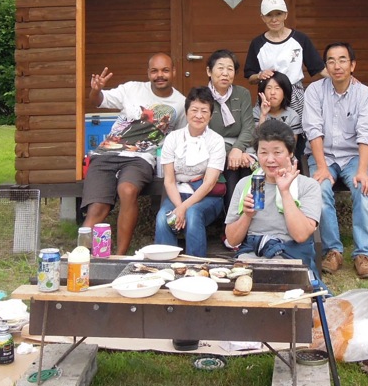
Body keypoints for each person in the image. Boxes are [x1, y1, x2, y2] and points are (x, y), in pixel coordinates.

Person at [81, 53, 185, 256]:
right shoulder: (132, 88)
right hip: (106, 153)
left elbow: (180, 137)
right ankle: (81, 256)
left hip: (141, 157)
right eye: (154, 71)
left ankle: (119, 256)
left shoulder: (181, 103)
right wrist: (96, 90)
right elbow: (98, 101)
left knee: (127, 190)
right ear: (148, 73)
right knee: (97, 208)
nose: (159, 75)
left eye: (165, 70)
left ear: (173, 72)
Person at [302, 42, 368, 279]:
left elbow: (366, 133)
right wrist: (322, 167)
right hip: (322, 155)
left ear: (352, 65)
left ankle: (363, 254)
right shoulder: (314, 91)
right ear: (326, 66)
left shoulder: (363, 94)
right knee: (319, 189)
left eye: (343, 60)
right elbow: (312, 130)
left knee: (362, 190)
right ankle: (333, 250)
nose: (337, 66)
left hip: (354, 156)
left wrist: (363, 171)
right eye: (331, 61)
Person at [224, 119, 322, 278]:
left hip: (290, 257)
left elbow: (301, 235)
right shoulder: (245, 185)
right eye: (263, 152)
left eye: (277, 152)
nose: (270, 159)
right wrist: (247, 215)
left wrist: (285, 192)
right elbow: (232, 239)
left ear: (290, 153)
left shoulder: (308, 186)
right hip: (251, 256)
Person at [153, 88, 227, 257]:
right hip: (177, 195)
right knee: (164, 218)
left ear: (211, 115)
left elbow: (209, 183)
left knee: (193, 214)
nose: (199, 115)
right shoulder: (173, 138)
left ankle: (196, 266)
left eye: (204, 111)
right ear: (186, 113)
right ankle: (166, 266)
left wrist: (184, 208)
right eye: (194, 110)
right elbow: (169, 181)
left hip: (207, 197)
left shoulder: (216, 141)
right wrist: (179, 207)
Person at [244, 0, 325, 117]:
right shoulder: (257, 43)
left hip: (294, 95)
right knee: (265, 132)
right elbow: (250, 77)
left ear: (285, 15)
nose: (274, 19)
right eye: (269, 15)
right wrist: (260, 75)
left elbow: (319, 68)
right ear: (262, 18)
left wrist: (346, 79)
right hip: (268, 95)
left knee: (297, 131)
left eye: (278, 14)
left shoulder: (300, 39)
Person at [205, 49, 257, 209]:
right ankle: (231, 223)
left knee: (248, 166)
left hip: (242, 147)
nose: (225, 73)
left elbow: (249, 127)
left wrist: (238, 149)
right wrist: (231, 151)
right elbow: (202, 132)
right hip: (213, 147)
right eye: (220, 68)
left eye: (230, 69)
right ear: (209, 71)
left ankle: (249, 222)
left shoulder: (242, 93)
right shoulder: (202, 95)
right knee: (231, 168)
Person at [255, 71, 304, 163]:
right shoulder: (256, 112)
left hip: (283, 157)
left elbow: (291, 146)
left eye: (277, 88)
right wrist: (263, 115)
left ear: (285, 92)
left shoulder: (292, 115)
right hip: (259, 156)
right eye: (268, 88)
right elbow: (257, 141)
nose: (272, 92)